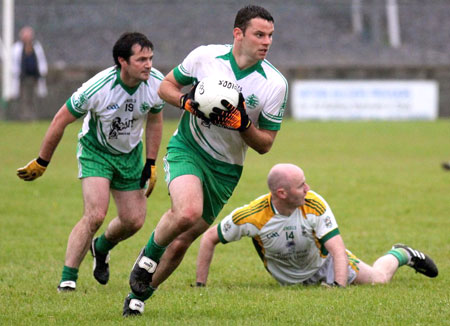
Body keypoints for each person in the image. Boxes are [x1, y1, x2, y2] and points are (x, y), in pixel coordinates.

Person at [122, 5, 288, 316]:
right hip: (189, 147)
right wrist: (187, 102)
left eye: (270, 36)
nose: (266, 42)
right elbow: (165, 87)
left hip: (226, 169)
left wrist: (242, 124)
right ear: (238, 33)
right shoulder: (206, 57)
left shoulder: (274, 84)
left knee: (183, 241)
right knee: (187, 211)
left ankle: (138, 297)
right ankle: (147, 257)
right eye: (259, 34)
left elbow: (265, 144)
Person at [16, 32, 165, 292]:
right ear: (122, 61)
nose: (149, 65)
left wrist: (150, 162)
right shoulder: (98, 88)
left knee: (134, 220)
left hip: (130, 155)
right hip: (96, 151)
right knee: (95, 214)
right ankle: (68, 278)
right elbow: (61, 119)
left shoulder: (156, 83)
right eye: (142, 59)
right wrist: (42, 161)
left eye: (151, 58)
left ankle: (101, 247)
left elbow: (155, 119)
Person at [195, 163, 438, 288]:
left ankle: (402, 253)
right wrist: (200, 287)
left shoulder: (313, 204)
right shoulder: (252, 216)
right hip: (289, 279)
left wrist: (337, 286)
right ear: (281, 193)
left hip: (325, 264)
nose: (308, 188)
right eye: (301, 185)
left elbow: (337, 249)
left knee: (378, 280)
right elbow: (208, 238)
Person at [10, 26, 48, 120]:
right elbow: (14, 63)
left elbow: (41, 60)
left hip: (35, 78)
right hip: (22, 78)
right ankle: (23, 117)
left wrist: (42, 72)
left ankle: (34, 117)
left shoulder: (36, 47)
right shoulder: (17, 48)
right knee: (23, 98)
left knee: (34, 98)